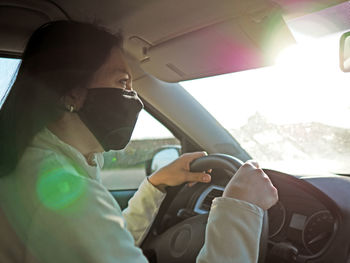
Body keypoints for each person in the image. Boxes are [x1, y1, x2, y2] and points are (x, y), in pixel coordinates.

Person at [0, 21, 278, 262]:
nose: (136, 102)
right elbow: (91, 226)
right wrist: (240, 210)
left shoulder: (31, 166)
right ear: (72, 95)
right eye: (122, 83)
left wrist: (154, 185)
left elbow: (104, 242)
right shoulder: (68, 196)